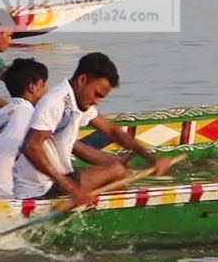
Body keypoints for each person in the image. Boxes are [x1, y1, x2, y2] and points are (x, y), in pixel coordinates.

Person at [14, 53, 174, 202]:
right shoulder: (56, 101)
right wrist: (71, 188)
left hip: (56, 181)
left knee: (118, 171)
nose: (97, 102)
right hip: (38, 190)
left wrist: (152, 158)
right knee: (117, 171)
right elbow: (31, 146)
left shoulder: (78, 100)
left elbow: (112, 131)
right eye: (97, 94)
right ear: (82, 80)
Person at [0, 58, 49, 201]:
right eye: (43, 85)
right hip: (5, 196)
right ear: (33, 87)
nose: (47, 91)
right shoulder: (31, 114)